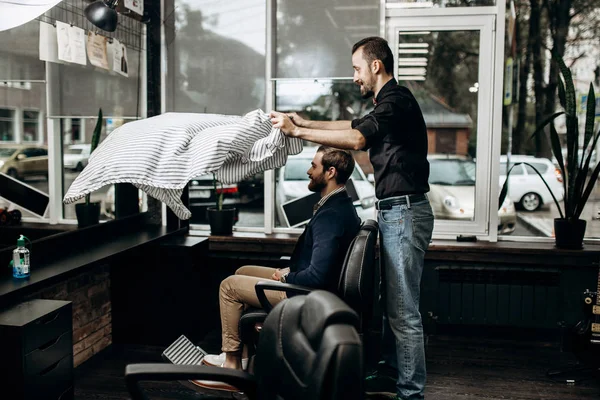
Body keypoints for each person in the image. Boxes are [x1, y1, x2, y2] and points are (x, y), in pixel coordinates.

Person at [269, 37, 434, 400]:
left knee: (404, 311)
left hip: (405, 211)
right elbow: (351, 123)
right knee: (394, 307)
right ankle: (393, 374)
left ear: (376, 65)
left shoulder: (397, 100)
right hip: (396, 210)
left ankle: (411, 393)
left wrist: (297, 131)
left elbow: (358, 138)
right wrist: (307, 120)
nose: (355, 76)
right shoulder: (385, 105)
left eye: (357, 68)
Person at [194, 146, 361, 392]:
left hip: (305, 294)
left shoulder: (332, 215)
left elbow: (318, 276)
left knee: (229, 286)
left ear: (331, 172)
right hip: (308, 286)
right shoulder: (339, 204)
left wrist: (288, 276)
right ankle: (242, 357)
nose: (308, 171)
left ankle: (231, 365)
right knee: (242, 271)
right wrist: (289, 270)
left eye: (314, 166)